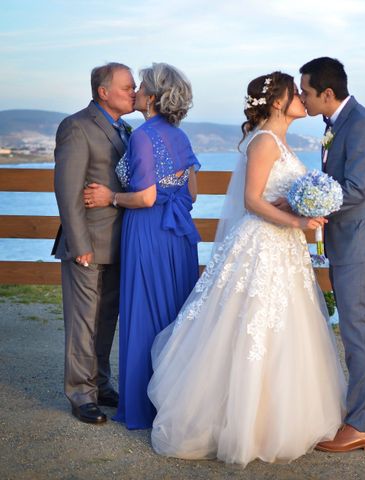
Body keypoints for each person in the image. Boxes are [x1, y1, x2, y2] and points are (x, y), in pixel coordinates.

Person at [147, 71, 346, 466]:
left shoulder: (281, 141)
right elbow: (253, 201)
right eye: (295, 95)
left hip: (284, 246)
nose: (301, 100)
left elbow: (277, 195)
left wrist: (300, 206)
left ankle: (279, 416)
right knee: (251, 324)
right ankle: (240, 423)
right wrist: (298, 222)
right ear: (277, 103)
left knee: (285, 328)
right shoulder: (264, 142)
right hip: (261, 243)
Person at [83, 63, 201, 430]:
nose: (134, 92)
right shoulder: (180, 136)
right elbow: (192, 192)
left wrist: (111, 196)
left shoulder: (143, 136)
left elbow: (147, 197)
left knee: (146, 316)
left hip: (148, 232)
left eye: (141, 87)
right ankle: (175, 402)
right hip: (179, 236)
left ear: (152, 97)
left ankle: (144, 407)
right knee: (175, 317)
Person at [298, 57, 365, 453]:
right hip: (345, 240)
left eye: (306, 93)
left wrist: (309, 205)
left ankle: (364, 424)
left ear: (327, 93)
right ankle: (363, 414)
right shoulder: (338, 124)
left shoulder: (363, 125)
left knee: (357, 329)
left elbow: (355, 189)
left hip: (359, 241)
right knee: (355, 328)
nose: (302, 99)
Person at [53, 62, 135, 424]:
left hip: (119, 243)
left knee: (106, 321)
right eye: (127, 87)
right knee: (83, 322)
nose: (133, 92)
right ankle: (80, 394)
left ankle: (101, 384)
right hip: (86, 243)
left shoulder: (128, 129)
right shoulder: (76, 126)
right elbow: (67, 190)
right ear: (103, 92)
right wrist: (78, 241)